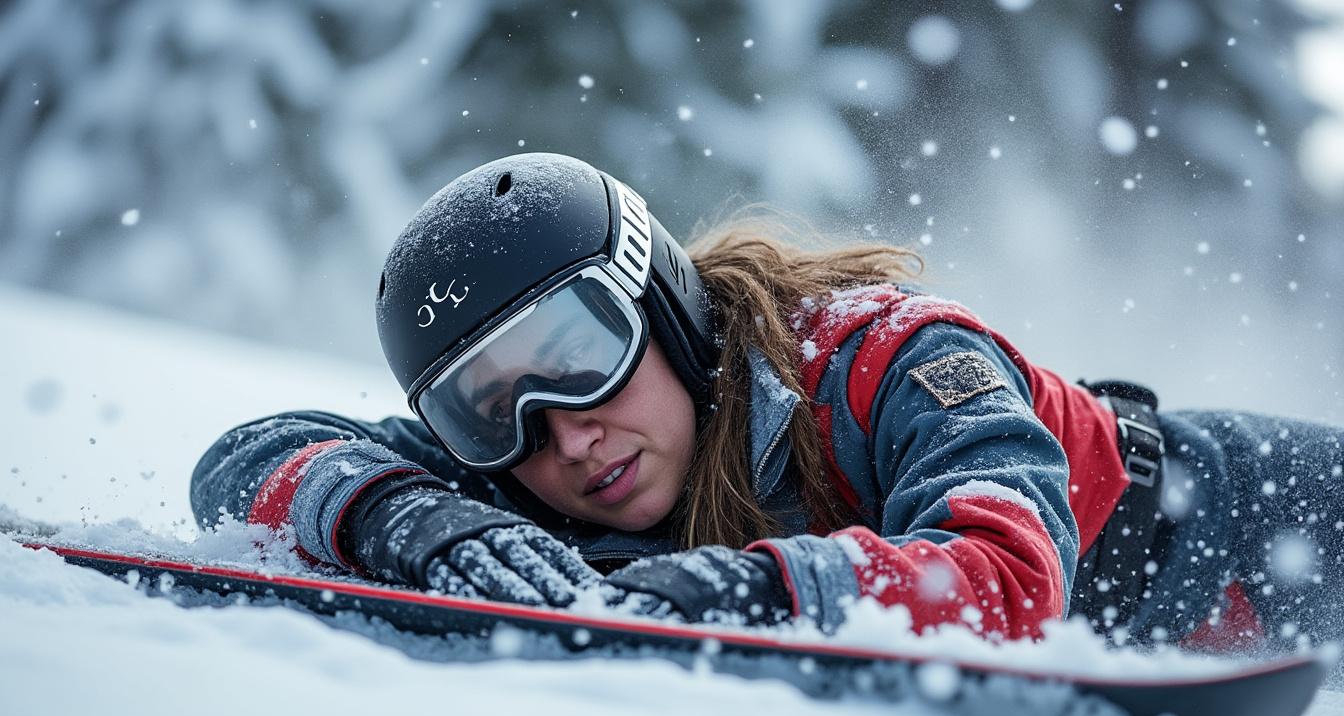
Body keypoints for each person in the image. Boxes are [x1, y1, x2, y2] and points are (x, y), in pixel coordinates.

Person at [191, 153, 1344, 652]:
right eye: (486, 412)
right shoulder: (530, 472)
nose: (562, 430)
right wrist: (413, 516)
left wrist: (759, 585)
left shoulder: (886, 356)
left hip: (1247, 518)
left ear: (667, 308)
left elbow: (1006, 574)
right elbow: (247, 459)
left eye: (576, 352)